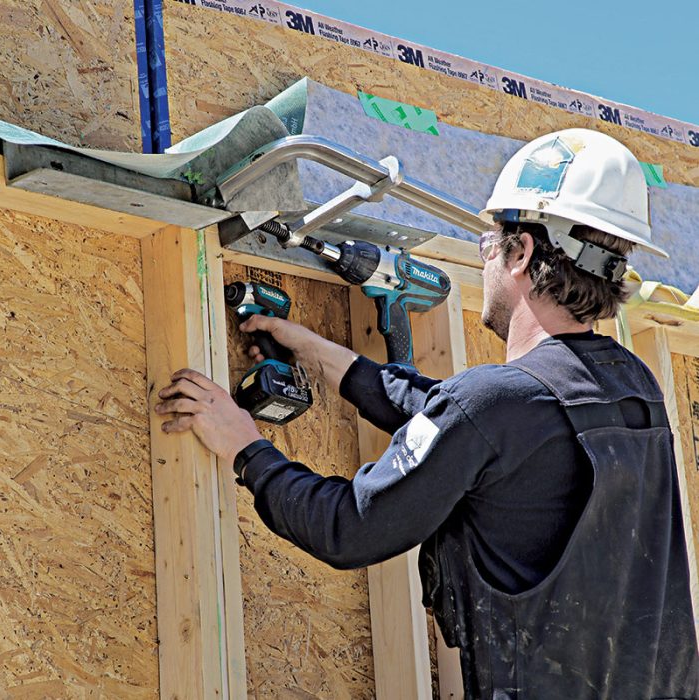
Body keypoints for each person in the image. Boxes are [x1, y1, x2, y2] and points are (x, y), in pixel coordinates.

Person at [155, 128, 699, 698]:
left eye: (490, 246)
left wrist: (245, 445)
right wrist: (324, 355)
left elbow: (348, 529)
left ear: (524, 253)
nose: (486, 260)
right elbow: (475, 426)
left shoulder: (499, 405)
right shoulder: (635, 389)